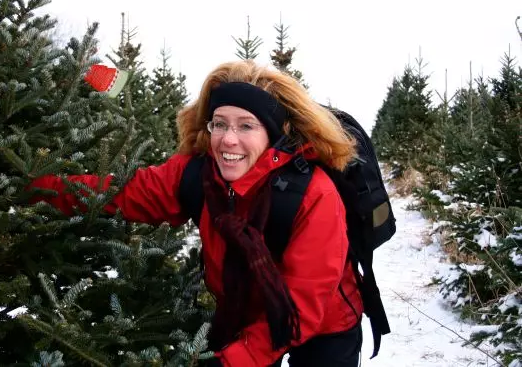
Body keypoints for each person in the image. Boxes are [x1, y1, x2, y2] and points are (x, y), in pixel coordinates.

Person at [29, 60, 364, 366]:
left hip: (324, 321)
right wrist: (32, 185)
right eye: (220, 124)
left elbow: (303, 303)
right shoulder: (196, 175)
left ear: (273, 134)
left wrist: (230, 362)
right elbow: (123, 193)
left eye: (246, 126)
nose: (228, 140)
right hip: (244, 315)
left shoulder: (314, 194)